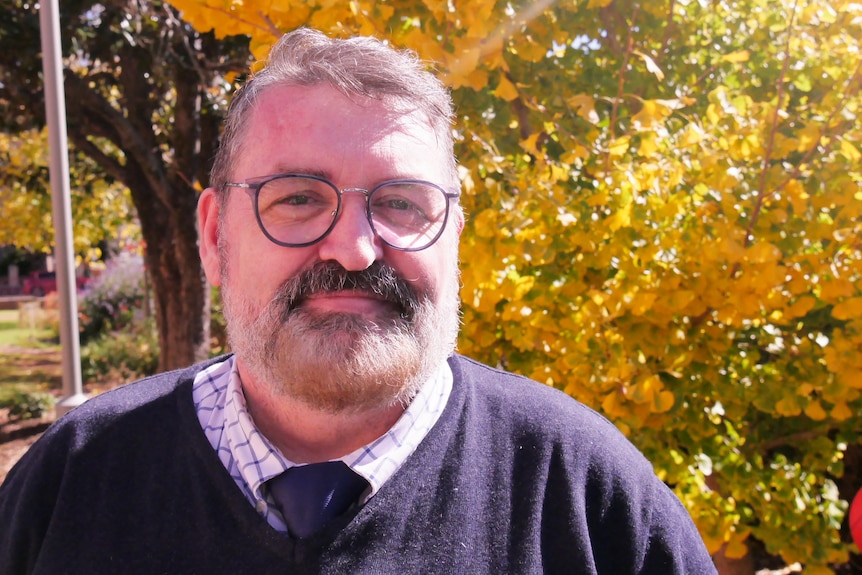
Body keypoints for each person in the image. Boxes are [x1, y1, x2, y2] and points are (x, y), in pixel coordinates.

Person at [0, 28, 716, 574]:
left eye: (402, 203)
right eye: (299, 198)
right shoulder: (72, 481)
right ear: (216, 236)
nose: (355, 248)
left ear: (454, 237)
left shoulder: (586, 497)